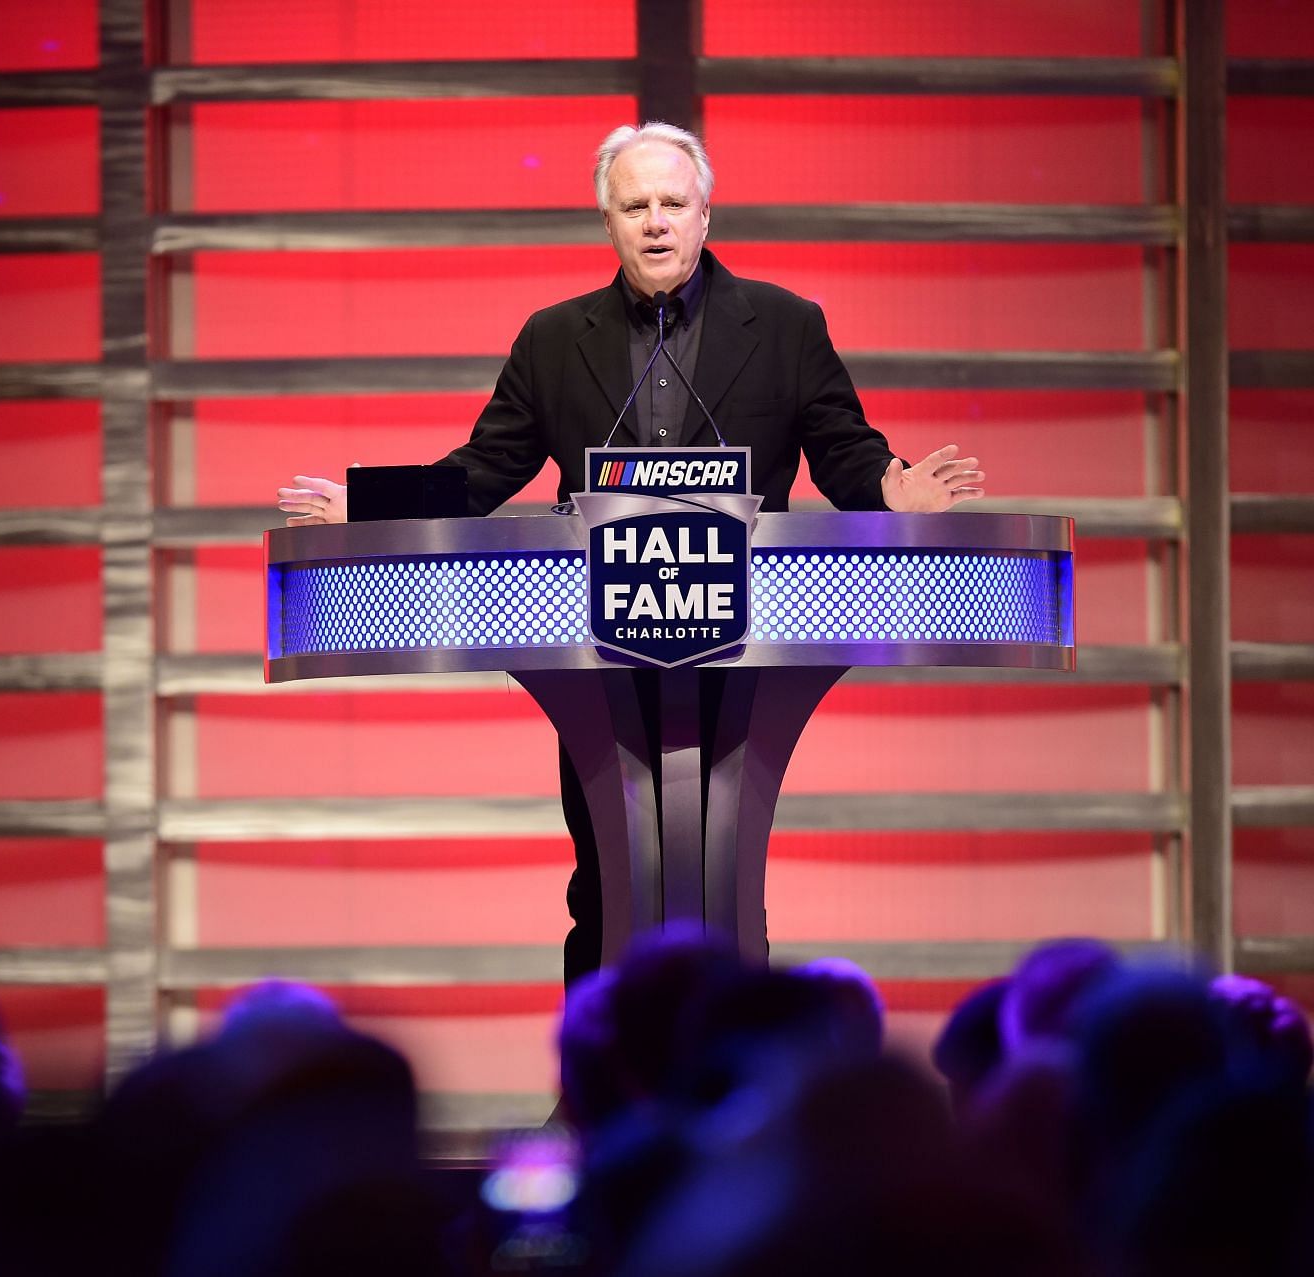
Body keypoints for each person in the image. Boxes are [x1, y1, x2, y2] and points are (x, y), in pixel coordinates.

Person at [276, 123, 985, 987]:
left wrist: (889, 488)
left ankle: (727, 1091)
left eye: (673, 204)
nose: (656, 222)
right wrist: (373, 506)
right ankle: (603, 1088)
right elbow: (483, 472)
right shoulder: (551, 339)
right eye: (636, 205)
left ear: (706, 214)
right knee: (607, 888)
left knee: (721, 889)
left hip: (740, 652)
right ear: (607, 221)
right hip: (598, 659)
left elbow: (842, 451)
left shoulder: (789, 327)